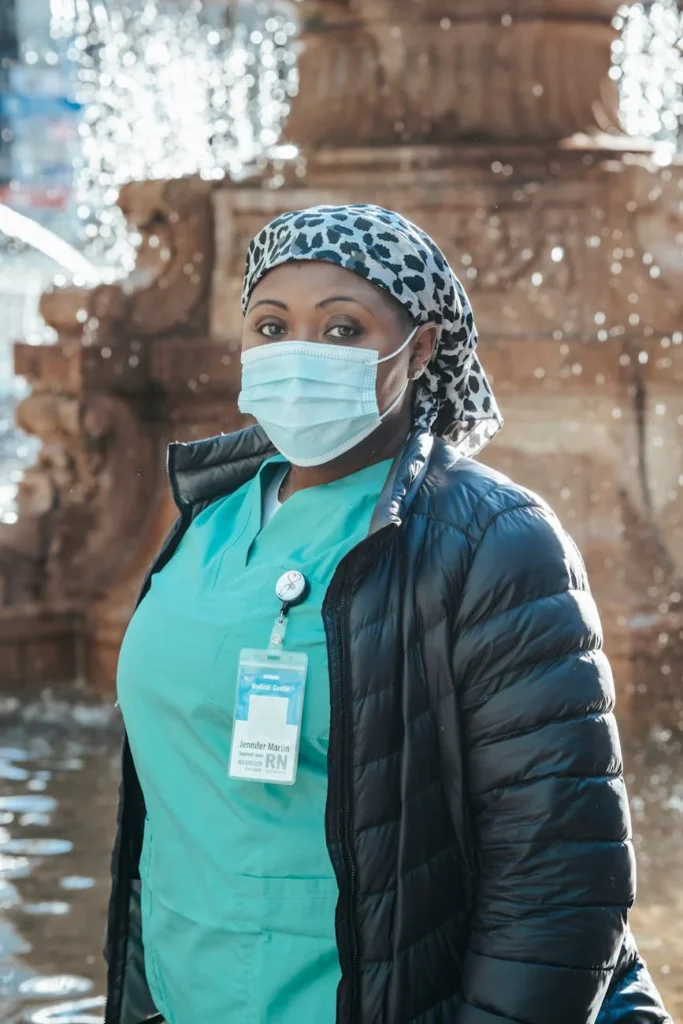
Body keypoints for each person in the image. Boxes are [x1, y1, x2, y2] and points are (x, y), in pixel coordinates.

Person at [105, 204, 670, 1024]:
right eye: (272, 326)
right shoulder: (208, 515)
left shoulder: (494, 540)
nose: (298, 353)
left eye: (342, 329)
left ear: (422, 347)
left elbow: (559, 875)